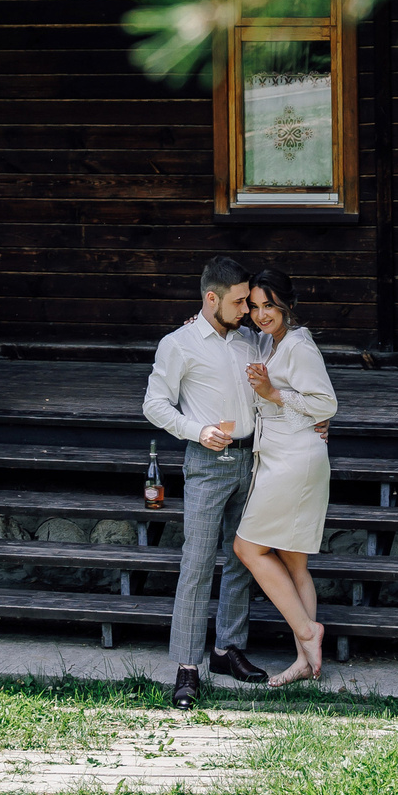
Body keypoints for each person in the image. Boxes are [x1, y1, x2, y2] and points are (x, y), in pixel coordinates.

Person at [142, 255, 273, 708]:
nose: (247, 310)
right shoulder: (178, 344)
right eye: (239, 302)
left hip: (252, 460)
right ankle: (187, 666)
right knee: (197, 563)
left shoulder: (250, 340)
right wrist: (196, 431)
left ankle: (226, 650)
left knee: (242, 559)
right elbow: (154, 404)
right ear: (211, 298)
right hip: (206, 462)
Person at [232, 266, 337, 685]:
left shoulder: (298, 345)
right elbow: (236, 336)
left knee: (248, 548)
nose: (261, 314)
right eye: (255, 306)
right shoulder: (267, 340)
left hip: (295, 459)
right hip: (279, 453)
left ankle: (309, 632)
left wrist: (273, 394)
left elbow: (325, 404)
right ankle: (305, 661)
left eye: (269, 306)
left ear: (287, 305)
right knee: (294, 562)